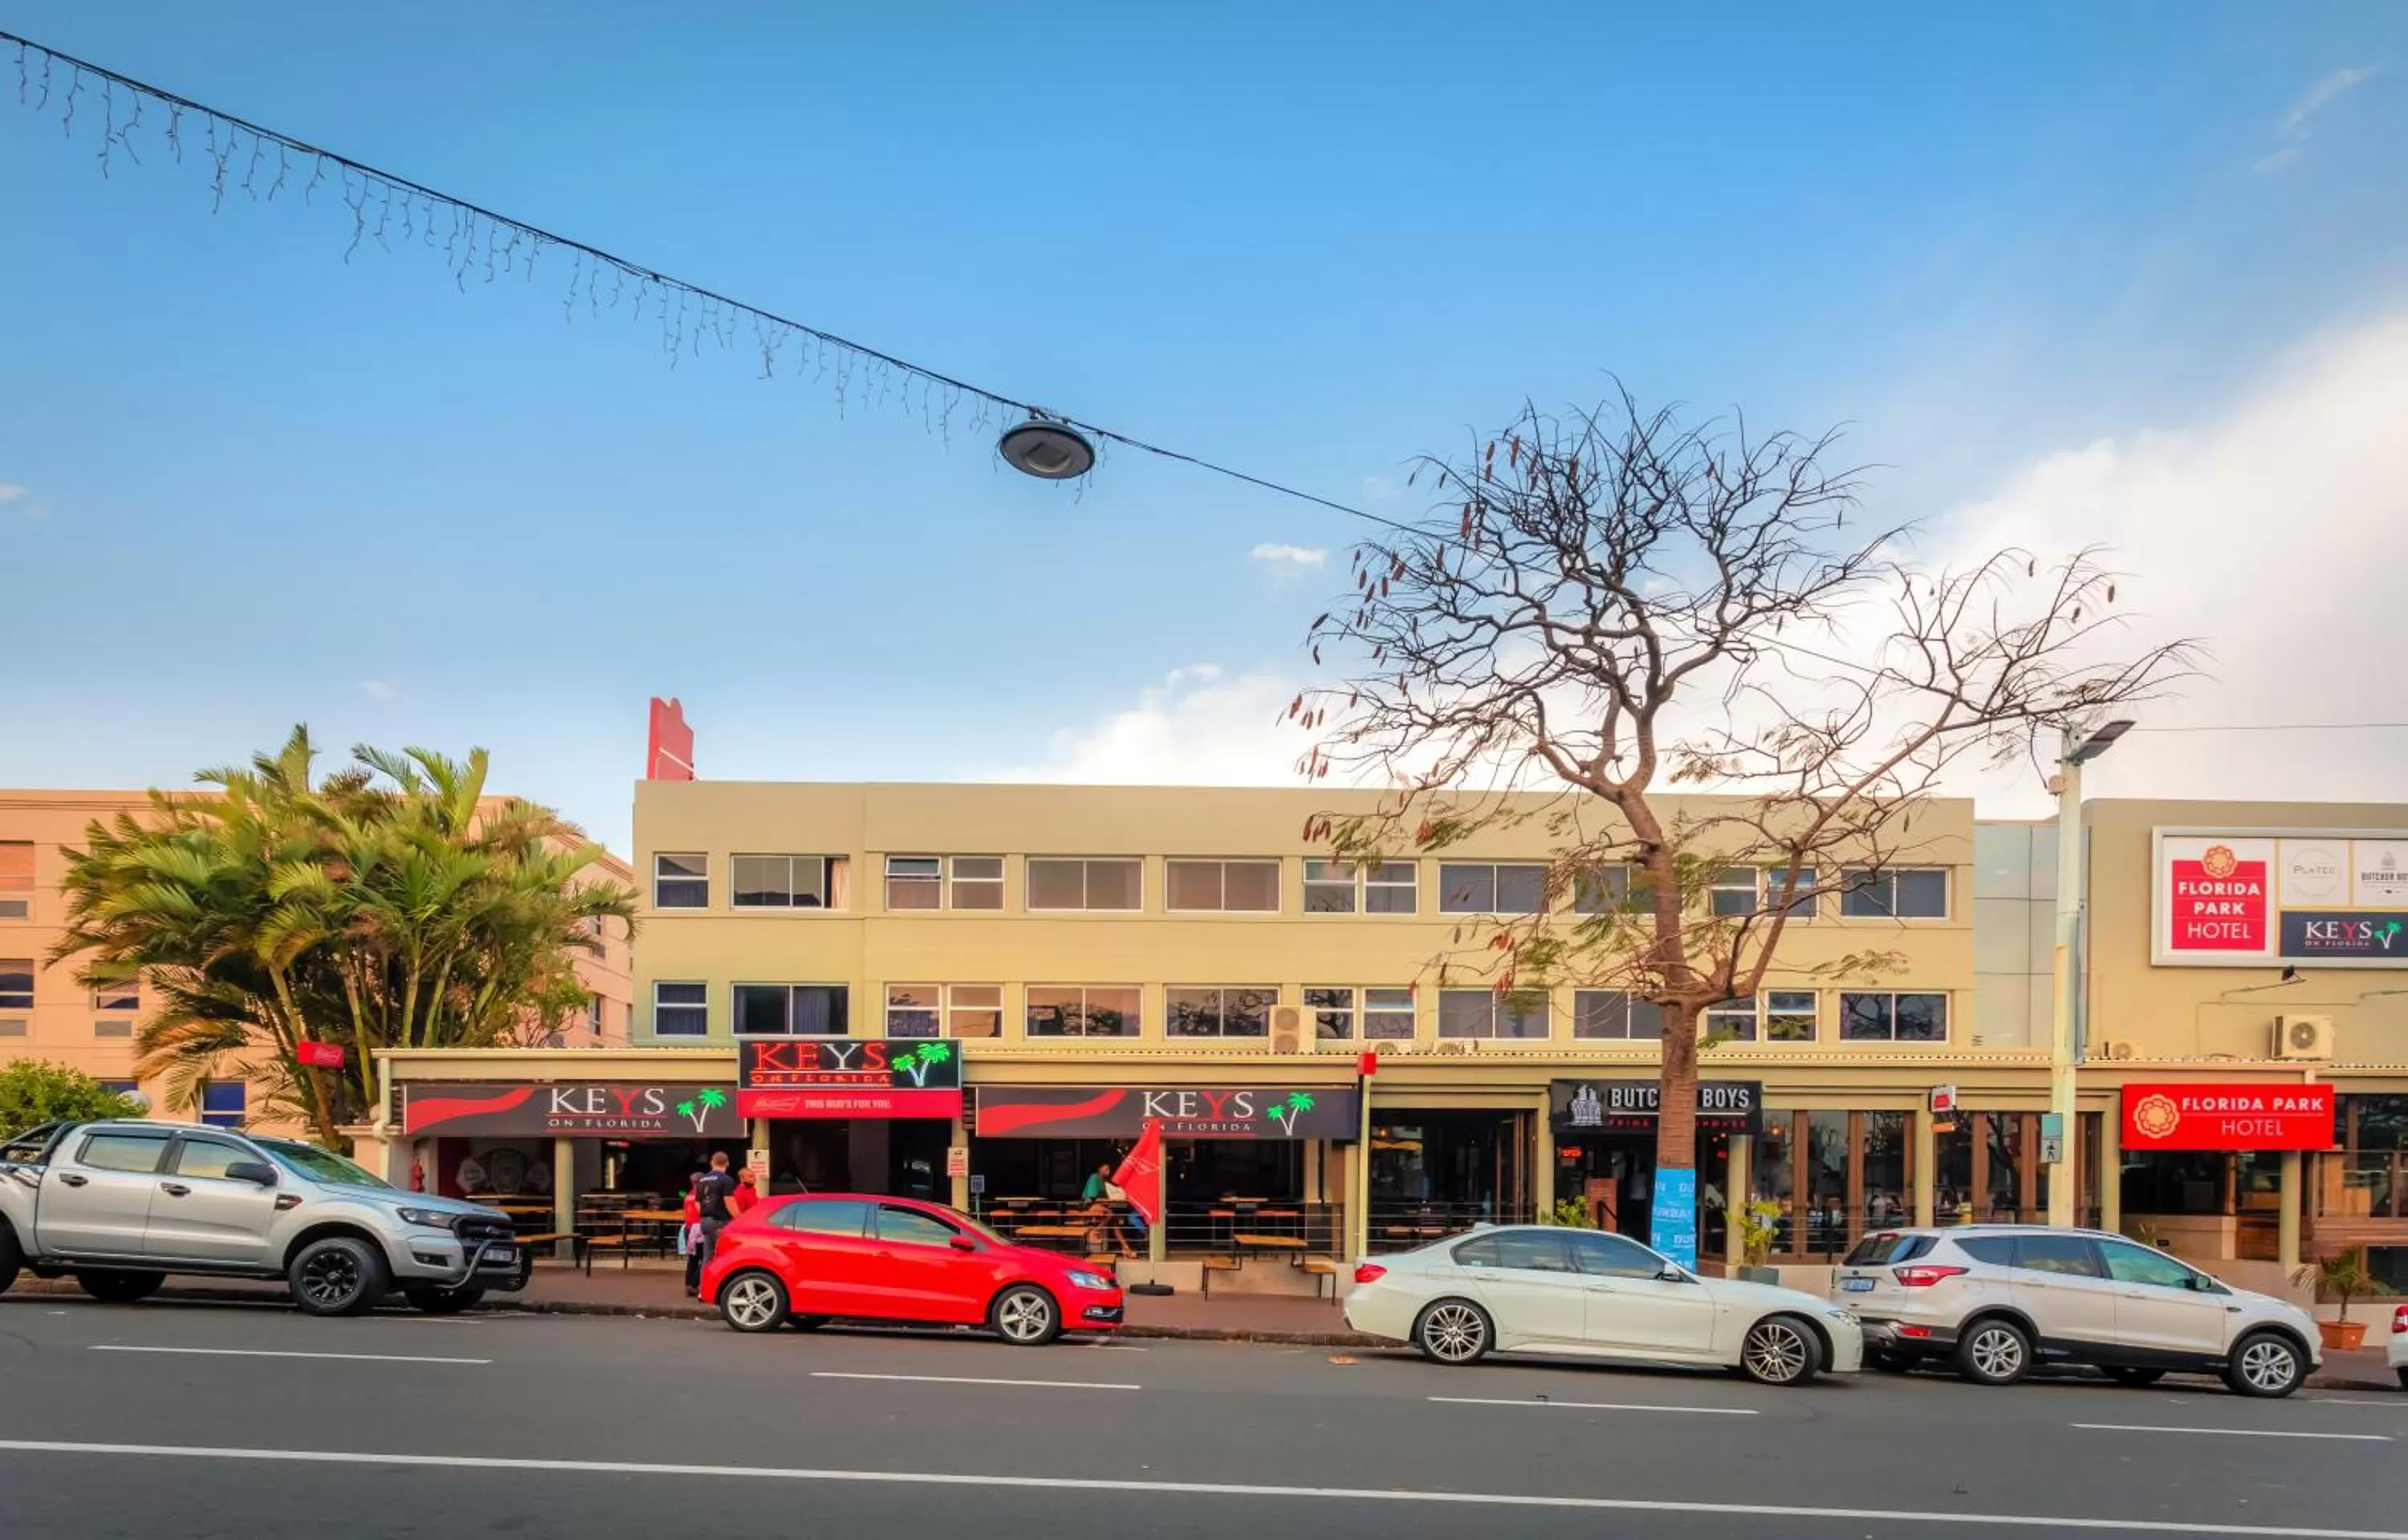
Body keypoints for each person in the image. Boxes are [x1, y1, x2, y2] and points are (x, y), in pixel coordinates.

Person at [694, 1153, 738, 1293]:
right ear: (727, 1163)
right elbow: (729, 1202)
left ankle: (703, 1289)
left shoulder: (702, 1180)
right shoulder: (726, 1180)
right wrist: (740, 1218)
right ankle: (720, 1290)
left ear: (712, 1162)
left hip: (706, 1222)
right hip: (720, 1222)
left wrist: (704, 1216)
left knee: (707, 1257)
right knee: (725, 1256)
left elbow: (697, 1203)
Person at [680, 1170, 706, 1296]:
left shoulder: (689, 1195)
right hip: (698, 1229)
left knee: (693, 1259)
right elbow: (702, 1212)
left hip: (689, 1228)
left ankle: (688, 1284)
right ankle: (694, 1284)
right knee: (705, 1257)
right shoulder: (700, 1195)